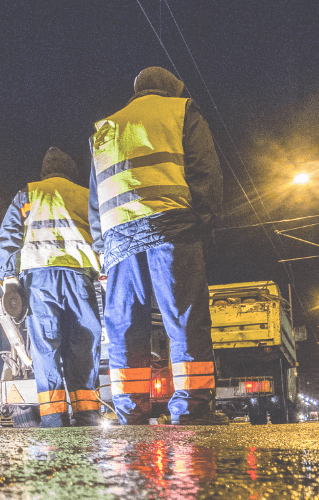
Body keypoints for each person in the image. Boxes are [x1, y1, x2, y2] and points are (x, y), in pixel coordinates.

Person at [87, 66, 225, 425]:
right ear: (171, 88)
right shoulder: (181, 111)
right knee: (184, 318)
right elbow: (204, 171)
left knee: (125, 327)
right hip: (172, 228)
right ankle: (191, 409)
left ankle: (131, 411)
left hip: (119, 243)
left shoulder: (105, 129)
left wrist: (103, 247)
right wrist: (205, 221)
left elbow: (96, 198)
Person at [0, 147, 105, 428]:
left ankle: (54, 419)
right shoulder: (85, 195)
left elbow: (8, 237)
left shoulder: (27, 194)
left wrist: (9, 279)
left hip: (39, 281)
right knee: (83, 345)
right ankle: (87, 416)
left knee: (46, 350)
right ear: (71, 170)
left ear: (44, 171)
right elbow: (102, 234)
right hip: (79, 278)